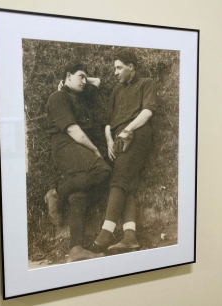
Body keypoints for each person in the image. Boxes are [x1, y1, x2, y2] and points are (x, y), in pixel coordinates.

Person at [91, 50, 157, 254]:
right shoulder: (116, 91)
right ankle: (130, 237)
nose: (115, 72)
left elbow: (148, 111)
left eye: (119, 67)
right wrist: (109, 140)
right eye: (114, 68)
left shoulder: (147, 83)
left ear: (132, 67)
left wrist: (128, 130)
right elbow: (108, 122)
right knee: (126, 185)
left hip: (136, 134)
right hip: (117, 140)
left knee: (119, 179)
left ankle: (106, 233)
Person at [45, 60, 112, 262]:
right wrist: (95, 151)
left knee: (79, 194)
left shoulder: (79, 96)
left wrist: (81, 78)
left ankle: (76, 249)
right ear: (67, 76)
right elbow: (73, 131)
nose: (84, 81)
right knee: (103, 170)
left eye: (85, 77)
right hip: (66, 149)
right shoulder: (58, 97)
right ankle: (56, 194)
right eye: (80, 76)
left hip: (76, 150)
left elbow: (98, 82)